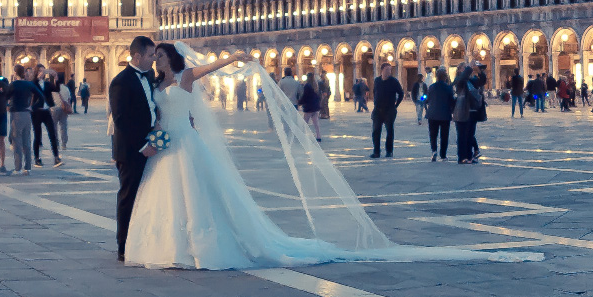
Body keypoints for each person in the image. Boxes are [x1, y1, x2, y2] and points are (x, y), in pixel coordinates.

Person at [124, 44, 538, 270]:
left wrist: (238, 58)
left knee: (198, 198)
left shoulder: (186, 76)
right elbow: (151, 111)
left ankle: (200, 247)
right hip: (169, 145)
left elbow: (215, 66)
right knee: (171, 198)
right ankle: (171, 247)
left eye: (159, 56)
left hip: (186, 147)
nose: (156, 60)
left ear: (171, 58)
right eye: (154, 57)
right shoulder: (152, 82)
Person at [108, 38, 162, 260]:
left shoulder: (149, 77)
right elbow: (121, 120)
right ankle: (123, 245)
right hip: (131, 150)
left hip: (149, 144)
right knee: (128, 196)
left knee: (147, 196)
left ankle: (142, 240)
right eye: (151, 56)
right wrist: (142, 146)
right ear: (137, 57)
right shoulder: (121, 82)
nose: (154, 60)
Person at [4, 65, 38, 174]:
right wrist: (32, 106)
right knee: (27, 141)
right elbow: (41, 96)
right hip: (27, 114)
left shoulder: (13, 84)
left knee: (16, 141)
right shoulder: (29, 84)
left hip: (16, 114)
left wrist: (7, 104)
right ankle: (27, 167)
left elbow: (5, 96)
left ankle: (18, 168)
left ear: (15, 73)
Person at [451, 62, 483, 164]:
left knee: (470, 134)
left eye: (466, 68)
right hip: (461, 110)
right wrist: (469, 67)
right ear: (459, 70)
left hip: (472, 111)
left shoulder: (471, 80)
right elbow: (462, 78)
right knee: (462, 135)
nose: (466, 70)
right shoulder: (459, 80)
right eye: (463, 68)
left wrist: (480, 71)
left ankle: (469, 156)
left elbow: (481, 81)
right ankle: (462, 157)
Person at [370, 70, 403, 158]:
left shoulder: (394, 81)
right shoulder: (377, 80)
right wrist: (375, 102)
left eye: (389, 70)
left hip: (389, 110)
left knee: (389, 131)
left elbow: (401, 93)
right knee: (376, 131)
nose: (388, 72)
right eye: (386, 70)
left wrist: (396, 105)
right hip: (378, 109)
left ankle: (389, 151)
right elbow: (374, 91)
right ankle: (376, 152)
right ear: (382, 71)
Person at [425, 67, 455, 160]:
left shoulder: (431, 87)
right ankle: (443, 155)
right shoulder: (449, 88)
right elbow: (452, 101)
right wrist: (453, 111)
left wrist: (422, 100)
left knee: (433, 134)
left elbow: (426, 99)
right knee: (444, 135)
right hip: (445, 115)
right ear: (445, 77)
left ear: (436, 77)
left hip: (432, 114)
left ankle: (434, 151)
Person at [298, 73, 324, 142]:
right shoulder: (315, 85)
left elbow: (305, 96)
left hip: (309, 106)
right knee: (316, 122)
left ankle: (302, 136)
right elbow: (318, 95)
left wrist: (300, 102)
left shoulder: (307, 86)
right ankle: (318, 136)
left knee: (305, 122)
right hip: (315, 106)